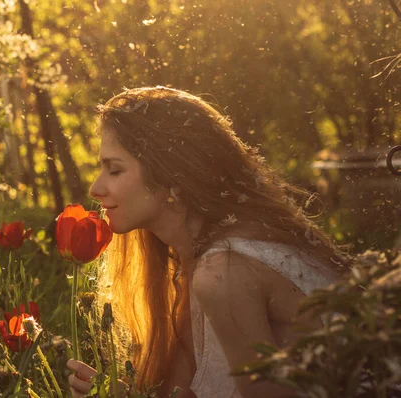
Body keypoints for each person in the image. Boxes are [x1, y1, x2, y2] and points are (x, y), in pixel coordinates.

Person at [66, 86, 351, 397]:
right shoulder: (194, 261)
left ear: (171, 178)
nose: (95, 188)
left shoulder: (224, 271)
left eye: (114, 170)